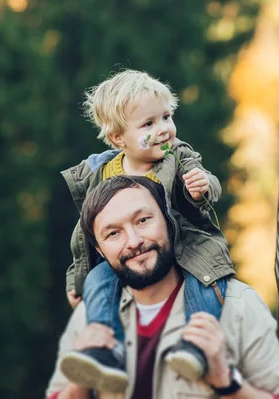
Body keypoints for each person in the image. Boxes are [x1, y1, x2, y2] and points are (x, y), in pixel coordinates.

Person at [46, 176, 279, 399]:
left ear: (169, 222)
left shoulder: (238, 305)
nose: (133, 241)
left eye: (143, 220)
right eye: (113, 234)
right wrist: (79, 378)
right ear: (100, 251)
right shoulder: (88, 317)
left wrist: (226, 380)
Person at [60, 69, 235, 391]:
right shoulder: (101, 174)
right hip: (129, 254)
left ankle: (196, 345)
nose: (164, 130)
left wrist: (202, 187)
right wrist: (77, 277)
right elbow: (85, 234)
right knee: (99, 281)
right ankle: (104, 350)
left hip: (187, 246)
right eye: (148, 124)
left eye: (167, 117)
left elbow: (206, 179)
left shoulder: (178, 157)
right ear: (118, 138)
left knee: (205, 282)